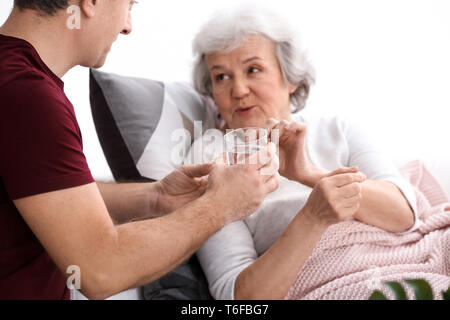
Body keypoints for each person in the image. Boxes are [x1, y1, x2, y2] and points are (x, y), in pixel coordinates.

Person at [0, 0, 280, 300]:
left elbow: (52, 194)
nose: (127, 26)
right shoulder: (26, 95)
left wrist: (155, 197)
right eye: (129, 5)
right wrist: (220, 207)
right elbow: (100, 270)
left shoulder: (16, 82)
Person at [185, 7, 419, 300]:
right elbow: (236, 296)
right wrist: (311, 217)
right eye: (221, 77)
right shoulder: (208, 156)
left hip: (401, 267)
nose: (239, 90)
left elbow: (404, 215)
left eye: (253, 70)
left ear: (290, 76)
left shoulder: (338, 129)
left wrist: (311, 175)